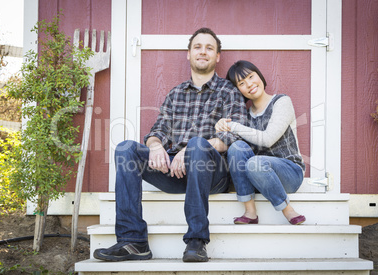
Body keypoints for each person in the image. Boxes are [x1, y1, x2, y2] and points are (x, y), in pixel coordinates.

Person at [93, 28, 247, 263]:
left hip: (212, 174)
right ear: (188, 54)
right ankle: (133, 241)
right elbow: (158, 132)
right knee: (126, 149)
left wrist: (191, 148)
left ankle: (197, 240)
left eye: (209, 48)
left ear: (217, 57)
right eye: (197, 47)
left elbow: (233, 137)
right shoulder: (176, 94)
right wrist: (155, 147)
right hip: (175, 171)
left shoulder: (229, 92)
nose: (202, 52)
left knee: (197, 145)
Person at [215, 60, 306, 226]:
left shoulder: (281, 102)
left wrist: (233, 126)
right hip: (257, 176)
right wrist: (220, 125)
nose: (249, 84)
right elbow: (235, 147)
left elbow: (268, 139)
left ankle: (287, 210)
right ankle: (250, 212)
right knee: (237, 148)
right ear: (238, 90)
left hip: (290, 173)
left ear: (259, 75)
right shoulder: (245, 116)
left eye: (251, 76)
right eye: (242, 83)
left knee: (255, 162)